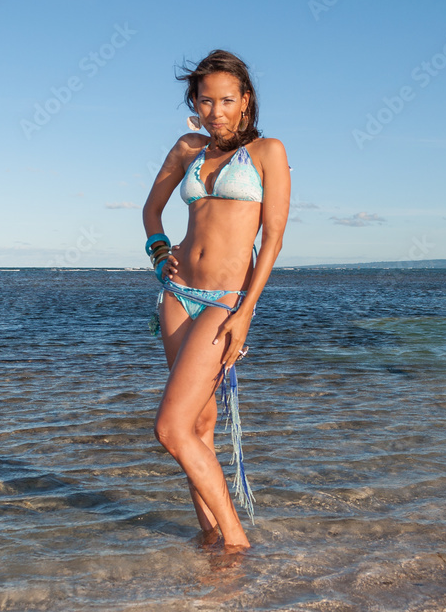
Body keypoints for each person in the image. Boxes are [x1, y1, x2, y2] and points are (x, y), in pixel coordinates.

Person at [142, 49, 290, 551]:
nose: (216, 111)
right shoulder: (188, 148)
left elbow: (272, 240)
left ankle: (235, 544)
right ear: (195, 104)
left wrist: (246, 311)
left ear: (245, 101)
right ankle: (209, 537)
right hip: (178, 296)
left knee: (170, 427)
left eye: (227, 100)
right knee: (198, 425)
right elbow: (151, 211)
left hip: (225, 301)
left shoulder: (268, 153)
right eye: (206, 101)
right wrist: (160, 253)